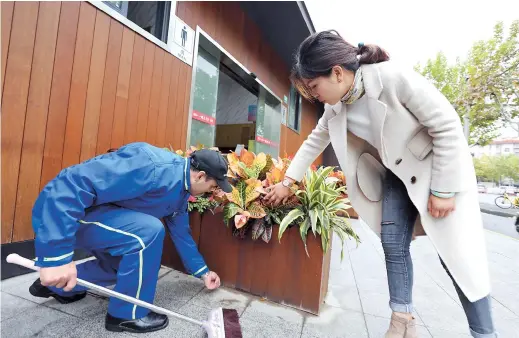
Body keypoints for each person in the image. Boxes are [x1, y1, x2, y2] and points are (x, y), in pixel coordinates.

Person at [265, 31, 497, 338]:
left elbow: (447, 126)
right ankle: (402, 321)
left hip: (437, 172)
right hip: (396, 177)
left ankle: (485, 334)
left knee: (457, 258)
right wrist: (287, 182)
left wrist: (443, 190)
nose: (313, 95)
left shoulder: (392, 77)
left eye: (313, 87)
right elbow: (313, 141)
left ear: (337, 73)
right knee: (392, 243)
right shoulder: (336, 106)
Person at [29, 142, 232, 333]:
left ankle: (59, 288)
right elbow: (70, 185)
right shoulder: (151, 165)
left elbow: (181, 234)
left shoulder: (181, 191)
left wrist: (203, 273)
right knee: (149, 232)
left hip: (99, 219)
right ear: (200, 176)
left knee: (129, 268)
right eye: (213, 186)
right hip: (64, 214)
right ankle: (127, 314)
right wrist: (55, 257)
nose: (212, 192)